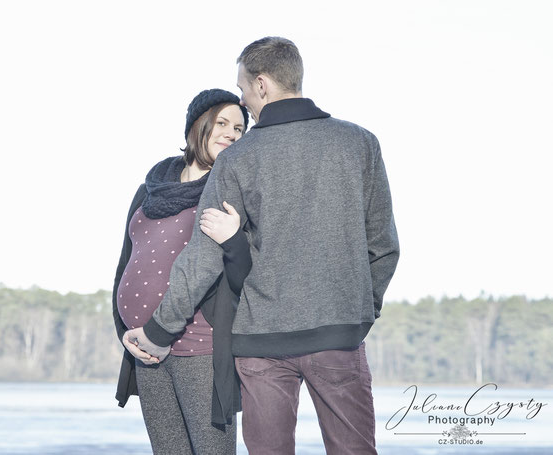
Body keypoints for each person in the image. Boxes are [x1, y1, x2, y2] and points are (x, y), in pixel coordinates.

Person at [126, 37, 400, 455]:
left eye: (242, 91)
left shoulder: (238, 158)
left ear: (261, 84)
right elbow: (382, 246)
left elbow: (201, 258)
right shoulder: (360, 143)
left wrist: (160, 330)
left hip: (260, 347)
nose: (244, 103)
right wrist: (359, 313)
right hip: (339, 338)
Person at [112, 88, 250, 455]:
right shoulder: (151, 187)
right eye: (222, 123)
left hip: (200, 347)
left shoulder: (229, 191)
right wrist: (126, 332)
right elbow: (127, 262)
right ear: (196, 125)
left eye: (239, 128)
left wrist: (235, 238)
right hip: (146, 349)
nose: (232, 134)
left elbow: (245, 273)